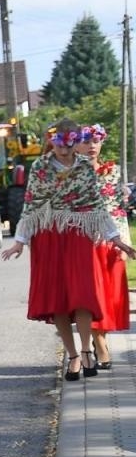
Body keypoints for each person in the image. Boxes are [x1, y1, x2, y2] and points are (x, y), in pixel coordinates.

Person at [2, 119, 136, 380]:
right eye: (59, 144)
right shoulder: (40, 168)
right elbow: (31, 205)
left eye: (69, 143)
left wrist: (116, 238)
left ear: (75, 141)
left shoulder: (85, 167)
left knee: (83, 295)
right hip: (49, 237)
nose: (64, 150)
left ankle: (87, 351)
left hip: (78, 235)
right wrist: (20, 240)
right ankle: (73, 356)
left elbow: (96, 204)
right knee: (59, 298)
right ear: (51, 141)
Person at [77, 124, 129, 368]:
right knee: (92, 297)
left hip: (110, 242)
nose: (92, 146)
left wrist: (124, 242)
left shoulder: (112, 171)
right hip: (83, 244)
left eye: (96, 141)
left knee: (110, 296)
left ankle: (102, 341)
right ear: (77, 144)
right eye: (86, 141)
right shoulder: (71, 173)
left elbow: (119, 208)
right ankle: (99, 346)